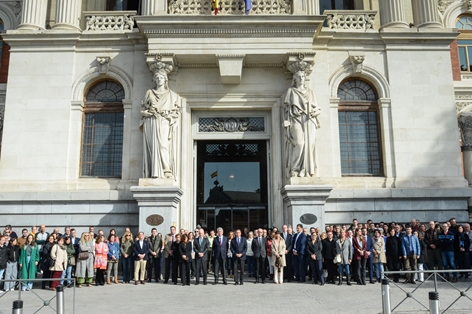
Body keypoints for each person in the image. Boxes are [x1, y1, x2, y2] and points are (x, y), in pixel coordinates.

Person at [141, 68, 181, 179]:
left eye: (161, 77)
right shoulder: (149, 93)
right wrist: (147, 113)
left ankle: (166, 170)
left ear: (165, 80)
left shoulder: (172, 95)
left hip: (164, 121)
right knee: (153, 146)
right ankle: (155, 171)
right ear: (154, 80)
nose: (159, 79)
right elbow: (143, 109)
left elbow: (175, 113)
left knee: (163, 144)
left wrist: (168, 116)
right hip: (152, 121)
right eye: (157, 77)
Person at [283, 69, 321, 178]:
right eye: (299, 76)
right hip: (296, 119)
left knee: (309, 144)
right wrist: (286, 122)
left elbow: (316, 107)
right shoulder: (291, 91)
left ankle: (307, 171)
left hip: (309, 119)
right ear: (294, 79)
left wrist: (317, 111)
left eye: (303, 76)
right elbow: (286, 109)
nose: (301, 78)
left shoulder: (310, 92)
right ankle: (295, 169)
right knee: (299, 143)